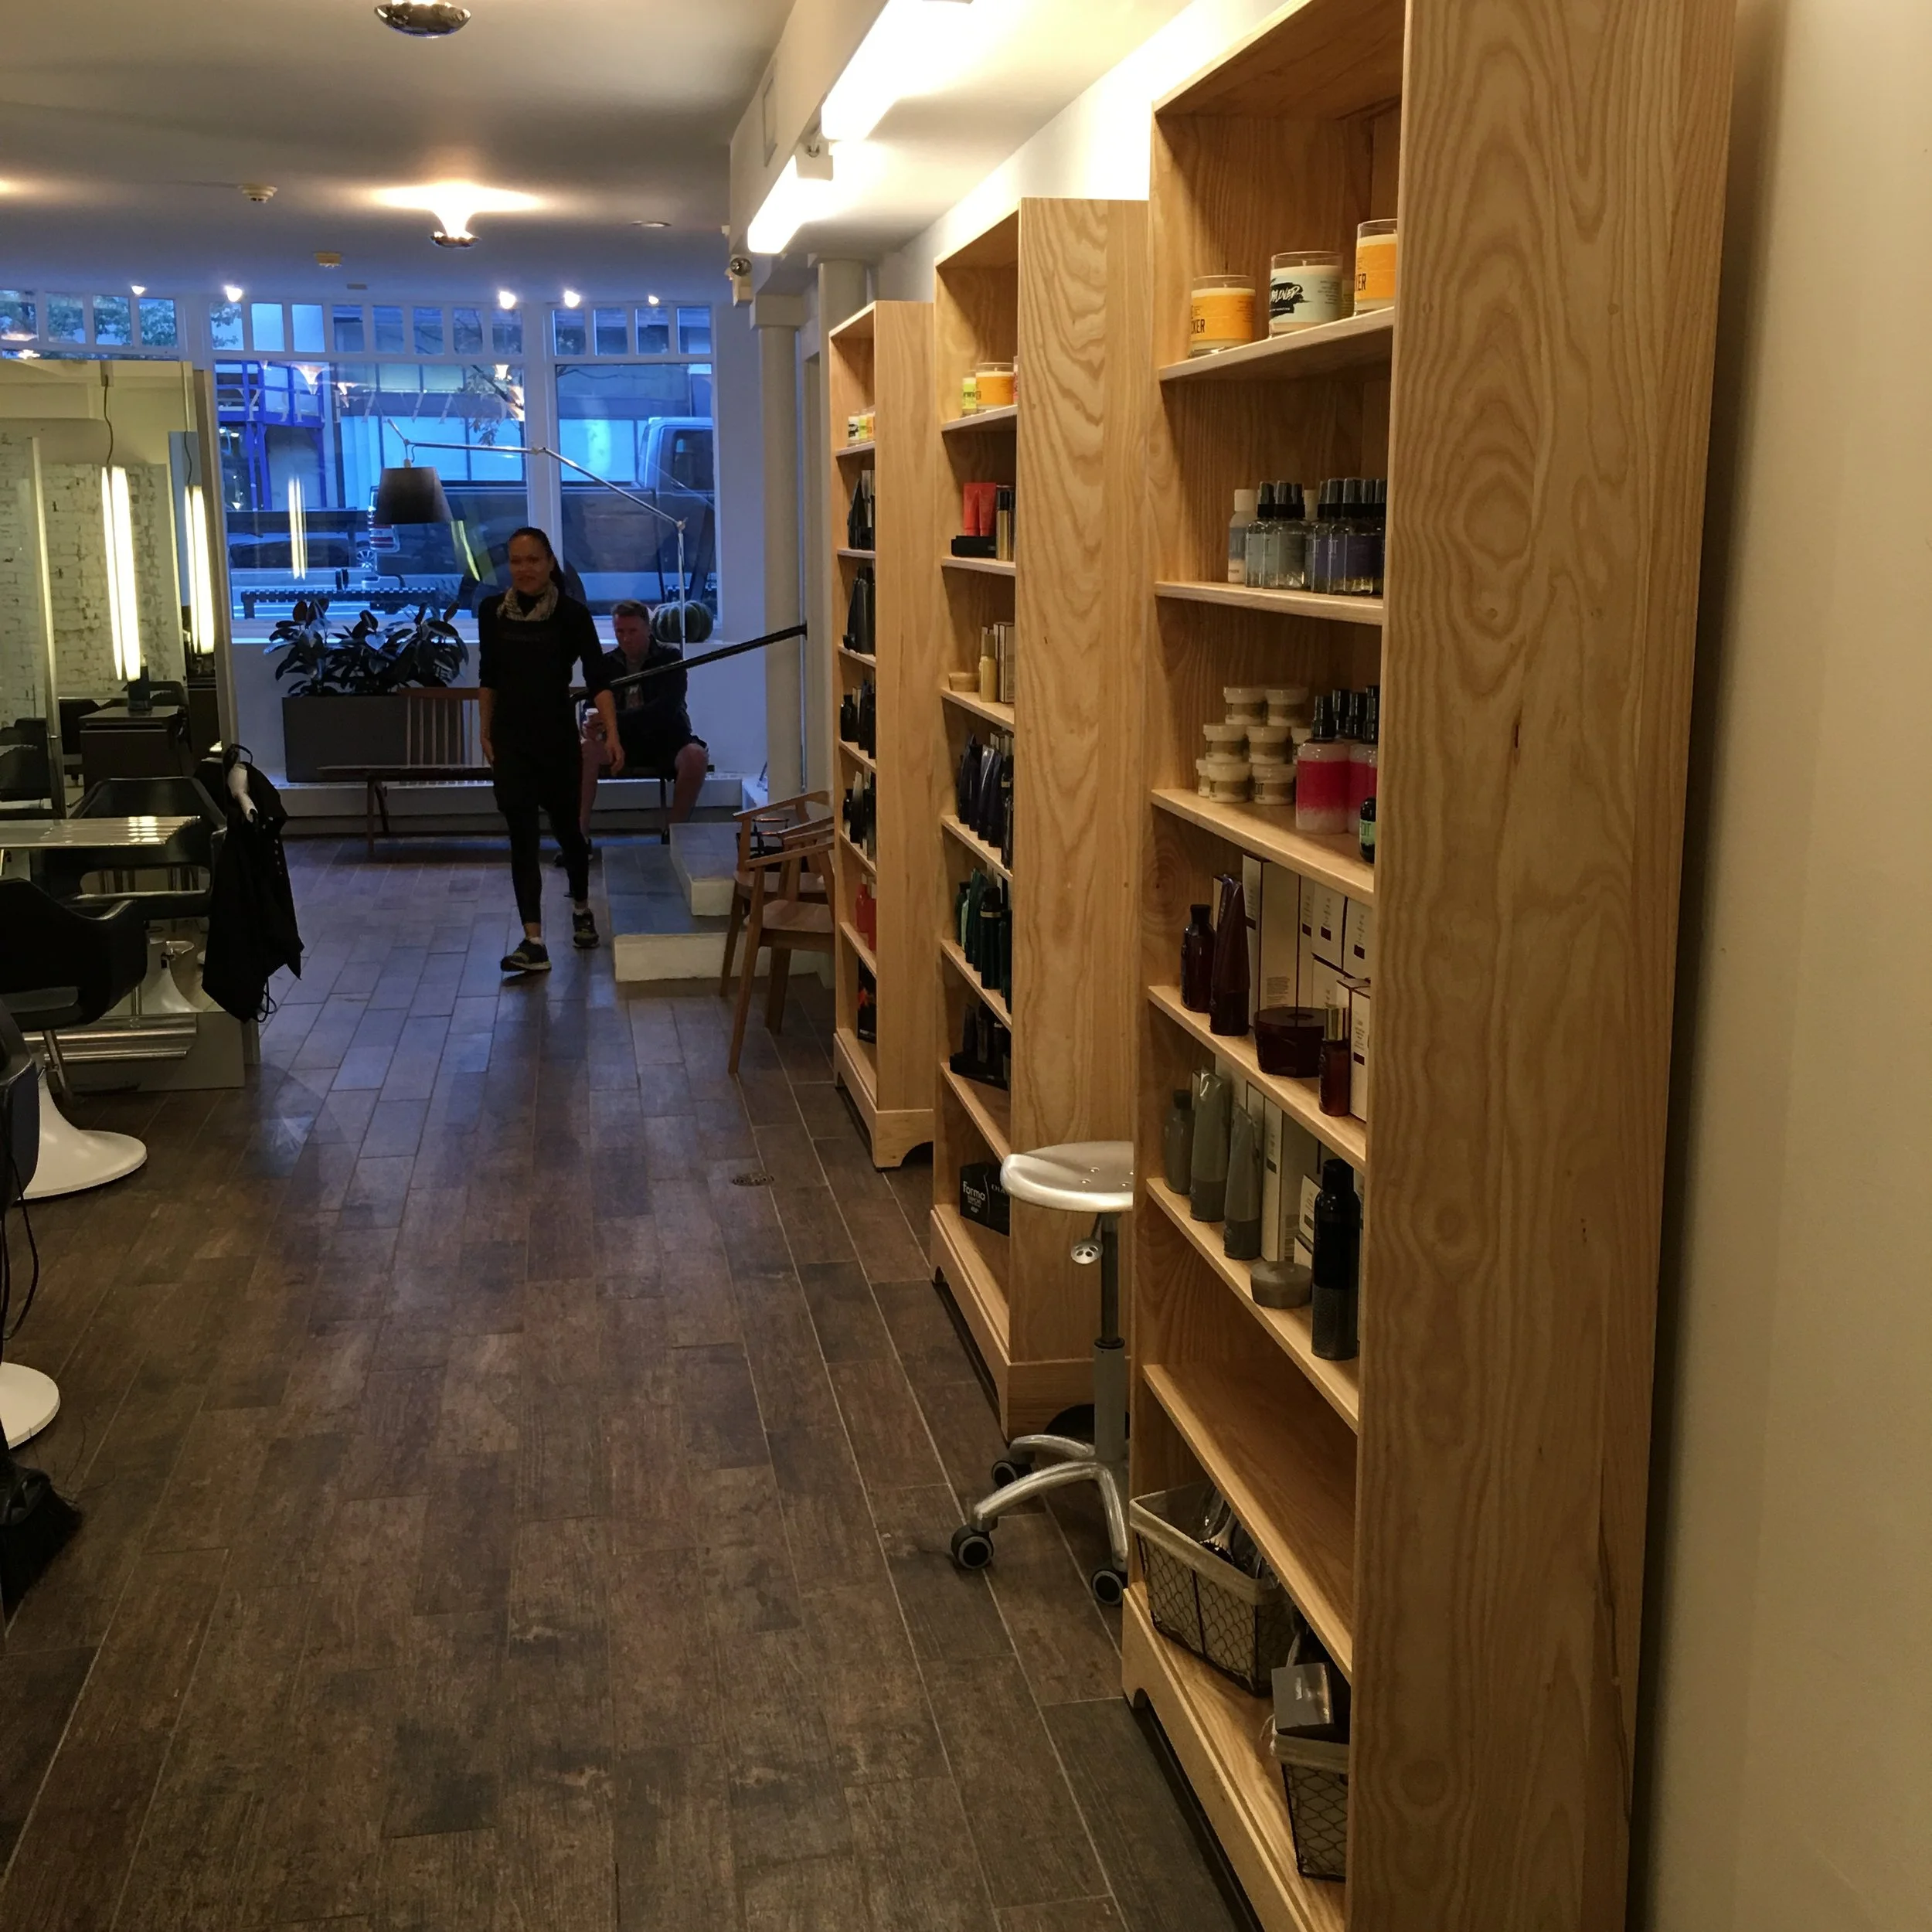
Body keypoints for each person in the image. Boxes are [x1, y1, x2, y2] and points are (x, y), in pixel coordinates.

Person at [478, 526, 621, 973]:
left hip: (557, 740)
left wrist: (612, 734)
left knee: (568, 834)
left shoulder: (573, 616)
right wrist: (485, 731)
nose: (524, 569)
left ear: (550, 562)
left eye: (533, 560)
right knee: (521, 838)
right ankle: (533, 940)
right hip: (510, 742)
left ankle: (581, 907)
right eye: (516, 561)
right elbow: (489, 677)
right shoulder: (491, 612)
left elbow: (598, 679)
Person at [576, 598, 709, 845]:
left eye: (632, 631)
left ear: (648, 629)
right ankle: (579, 836)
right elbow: (590, 705)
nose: (626, 638)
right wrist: (590, 723)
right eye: (620, 632)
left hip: (666, 740)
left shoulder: (669, 659)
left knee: (696, 757)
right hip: (621, 743)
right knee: (585, 749)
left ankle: (675, 834)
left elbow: (664, 710)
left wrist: (612, 721)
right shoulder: (606, 664)